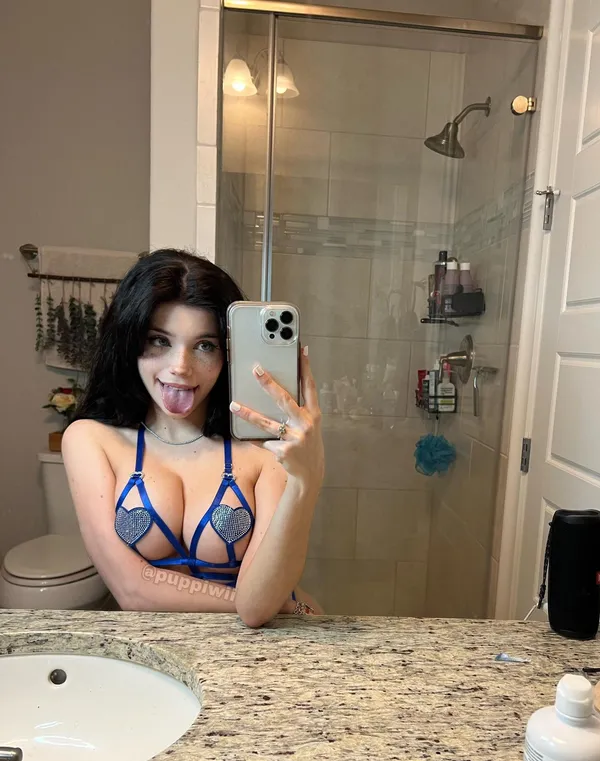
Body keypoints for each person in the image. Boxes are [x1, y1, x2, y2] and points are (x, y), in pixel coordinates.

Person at [62, 249, 324, 627]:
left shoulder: (263, 451)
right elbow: (131, 590)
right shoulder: (90, 440)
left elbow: (256, 612)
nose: (181, 367)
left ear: (228, 353)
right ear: (129, 340)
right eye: (159, 340)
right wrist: (256, 599)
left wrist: (307, 479)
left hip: (258, 641)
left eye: (205, 345)